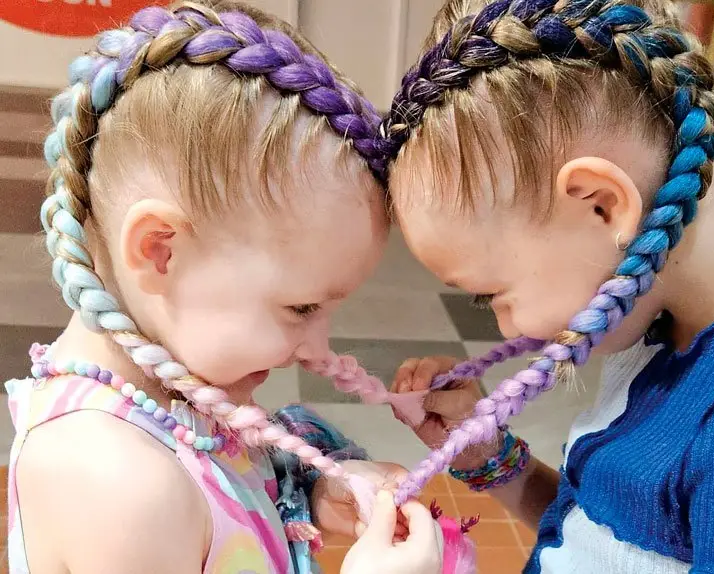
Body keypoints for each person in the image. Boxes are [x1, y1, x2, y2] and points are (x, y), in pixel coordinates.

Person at [375, 0, 714, 572]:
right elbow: (609, 535)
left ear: (602, 206)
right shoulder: (664, 309)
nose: (508, 328)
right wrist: (496, 460)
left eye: (493, 293)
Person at [6, 2, 438, 573]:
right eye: (301, 307)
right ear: (160, 250)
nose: (317, 349)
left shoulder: (179, 389)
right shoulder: (116, 481)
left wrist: (305, 499)